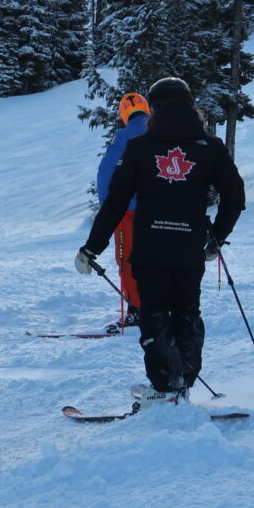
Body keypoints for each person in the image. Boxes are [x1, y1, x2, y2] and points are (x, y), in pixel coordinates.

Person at [75, 77, 246, 408]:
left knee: (155, 314)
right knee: (187, 311)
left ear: (152, 107)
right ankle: (181, 382)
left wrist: (91, 247)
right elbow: (235, 196)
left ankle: (166, 385)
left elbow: (115, 202)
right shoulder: (209, 147)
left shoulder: (140, 147)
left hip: (150, 245)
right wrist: (217, 239)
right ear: (189, 100)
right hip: (189, 246)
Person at [95, 92, 150, 331]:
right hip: (157, 209)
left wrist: (110, 209)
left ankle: (137, 309)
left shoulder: (123, 137)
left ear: (124, 114)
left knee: (127, 260)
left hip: (127, 211)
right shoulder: (161, 132)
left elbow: (105, 175)